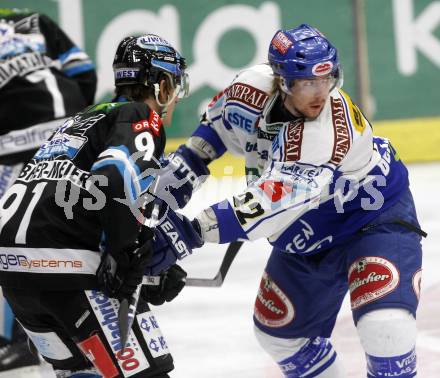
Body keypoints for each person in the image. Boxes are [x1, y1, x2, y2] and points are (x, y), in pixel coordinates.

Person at [146, 24, 425, 377]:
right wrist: (170, 186)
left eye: (326, 81)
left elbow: (270, 204)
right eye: (307, 83)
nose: (320, 93)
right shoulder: (247, 90)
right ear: (281, 80)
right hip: (306, 233)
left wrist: (187, 233)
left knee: (386, 327)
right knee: (280, 333)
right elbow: (213, 132)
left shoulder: (328, 131)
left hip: (370, 219)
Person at [0, 33, 190, 377]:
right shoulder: (140, 116)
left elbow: (79, 201)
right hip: (68, 272)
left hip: (14, 276)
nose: (175, 98)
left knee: (84, 371)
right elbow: (114, 176)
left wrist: (140, 266)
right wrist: (125, 255)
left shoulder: (79, 121)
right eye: (174, 85)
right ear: (161, 86)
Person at [0, 8, 96, 373]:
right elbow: (83, 72)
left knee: (9, 236)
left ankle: (18, 340)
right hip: (72, 131)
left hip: (15, 142)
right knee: (69, 226)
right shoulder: (31, 18)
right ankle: (86, 321)